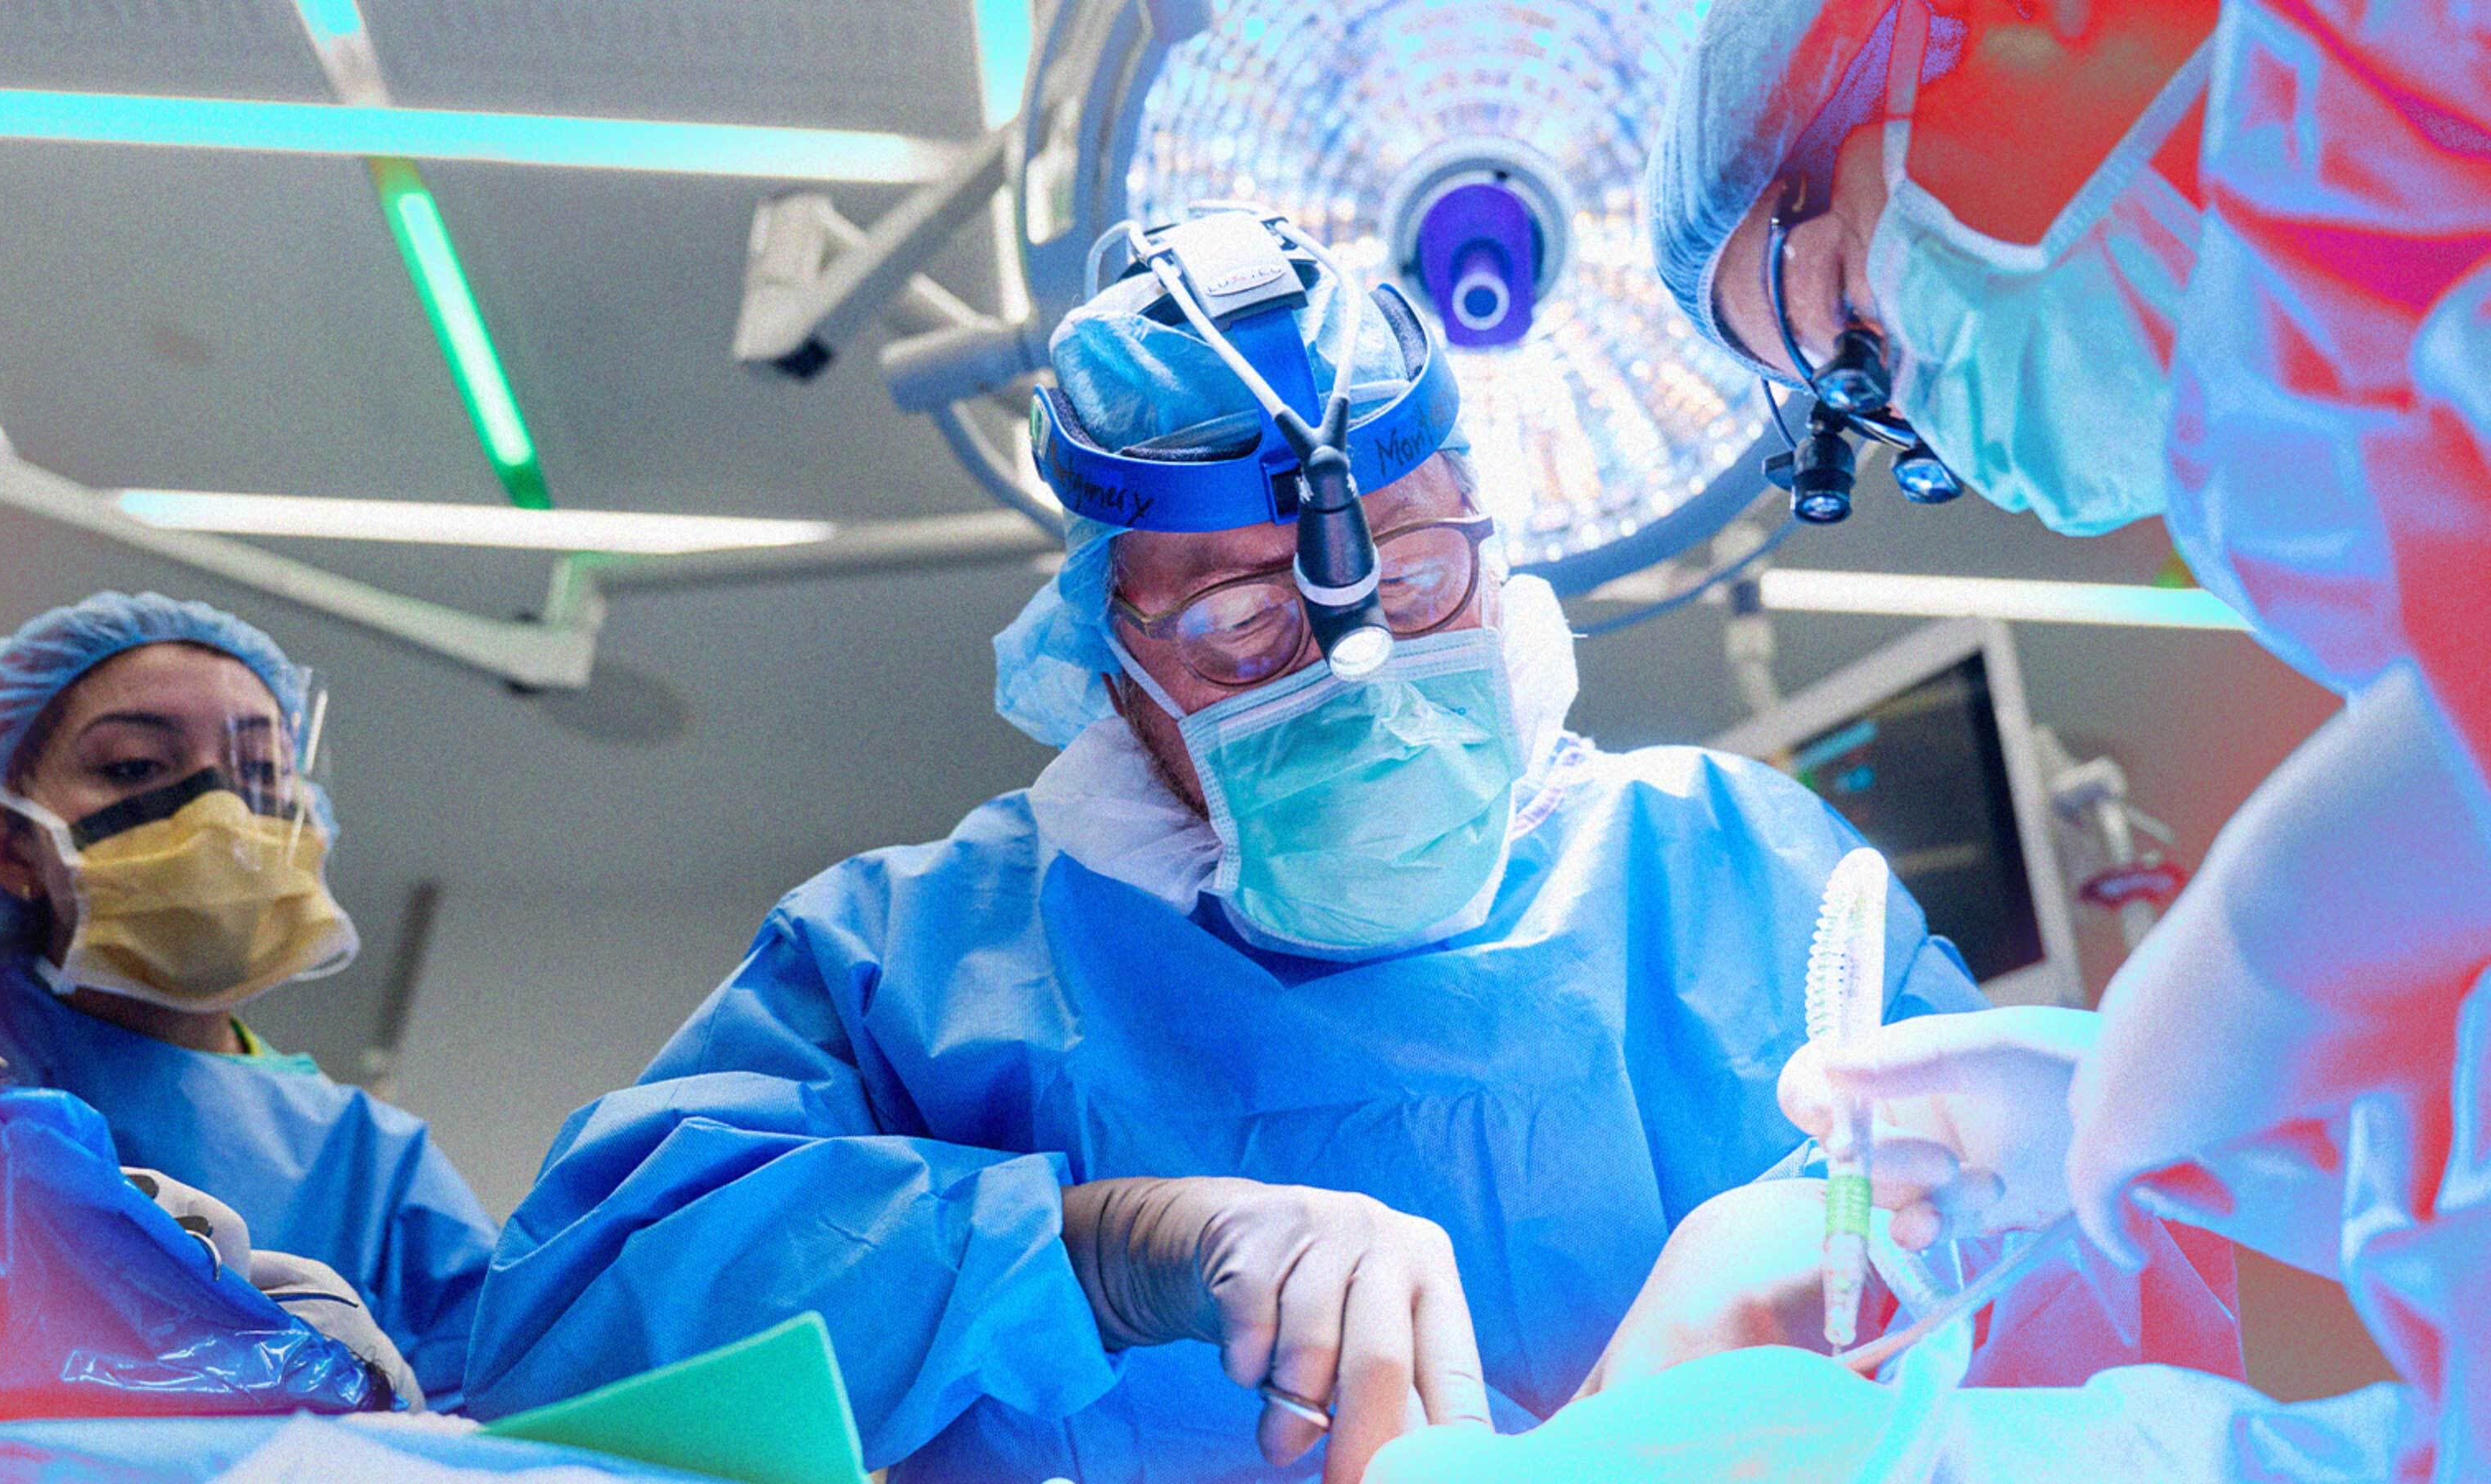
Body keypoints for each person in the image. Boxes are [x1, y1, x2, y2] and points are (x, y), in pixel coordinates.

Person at [462, 214, 2235, 1482]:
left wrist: (1789, 1323)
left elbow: (2080, 1338)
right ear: (1107, 661)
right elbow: (556, 1339)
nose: (1357, 664)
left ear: (1494, 544)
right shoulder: (912, 966)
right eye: (1242, 620)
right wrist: (1081, 1246)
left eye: (1413, 572)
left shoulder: (1730, 881)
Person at [1651, 0, 2490, 1475]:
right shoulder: (2380, 463)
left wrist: (2276, 944)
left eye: (1850, 327)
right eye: (1868, 409)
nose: (1918, 407)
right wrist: (2238, 1130)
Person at [0, 591, 500, 1411]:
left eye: (262, 772)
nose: (221, 815)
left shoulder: (373, 1171)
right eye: (133, 766)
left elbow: (495, 1430)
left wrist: (393, 1409)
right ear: (12, 846)